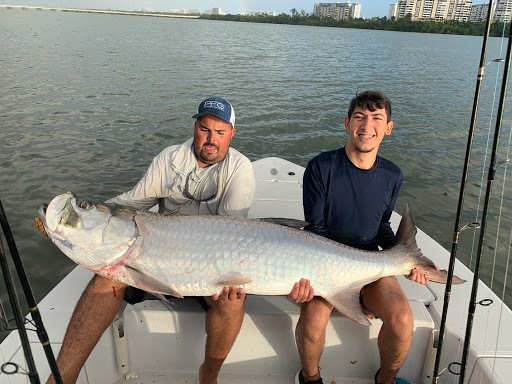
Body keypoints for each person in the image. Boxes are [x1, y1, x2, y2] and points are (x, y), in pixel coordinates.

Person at [46, 97, 311, 384]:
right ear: (195, 126)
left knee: (232, 301)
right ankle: (62, 377)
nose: (211, 140)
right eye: (205, 129)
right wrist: (88, 220)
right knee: (107, 278)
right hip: (157, 261)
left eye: (220, 133)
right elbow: (131, 205)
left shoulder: (240, 169)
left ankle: (208, 376)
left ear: (232, 134)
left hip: (211, 268)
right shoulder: (169, 158)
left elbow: (232, 233)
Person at [294, 91, 432, 384]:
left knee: (402, 320)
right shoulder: (321, 167)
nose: (366, 125)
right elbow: (315, 228)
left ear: (388, 128)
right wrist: (341, 274)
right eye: (359, 116)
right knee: (312, 322)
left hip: (370, 263)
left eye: (376, 118)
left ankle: (385, 379)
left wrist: (405, 260)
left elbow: (381, 225)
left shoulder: (392, 175)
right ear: (347, 122)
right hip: (324, 264)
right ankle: (310, 377)